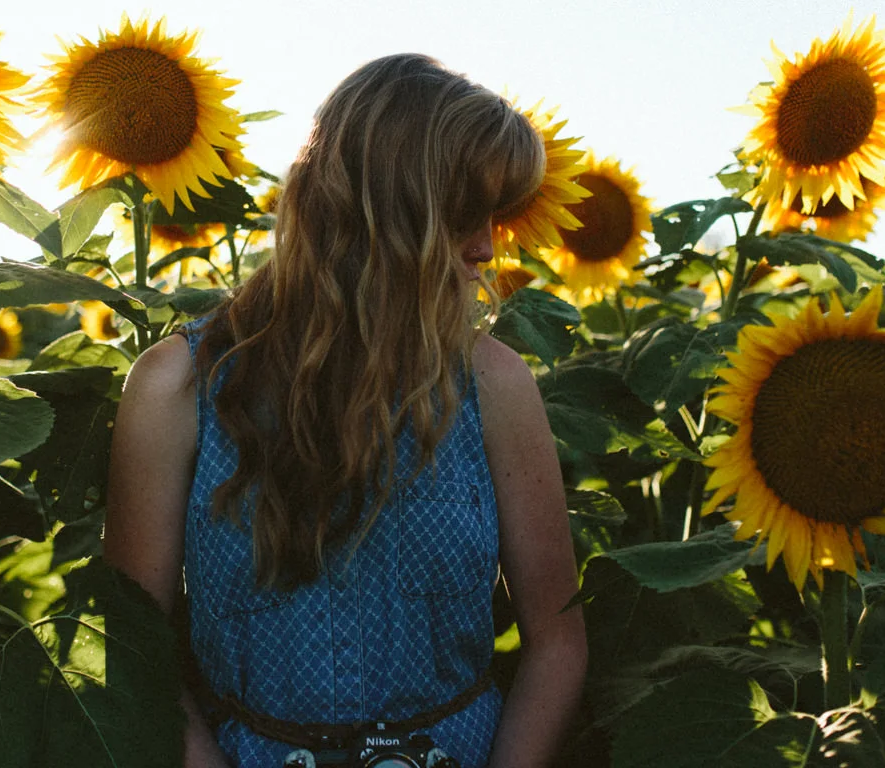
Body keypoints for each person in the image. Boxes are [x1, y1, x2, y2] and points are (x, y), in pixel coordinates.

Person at [105, 53, 587, 767]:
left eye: (494, 216)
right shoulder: (179, 387)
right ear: (379, 210)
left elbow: (556, 642)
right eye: (461, 215)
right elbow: (133, 652)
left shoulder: (492, 384)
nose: (486, 247)